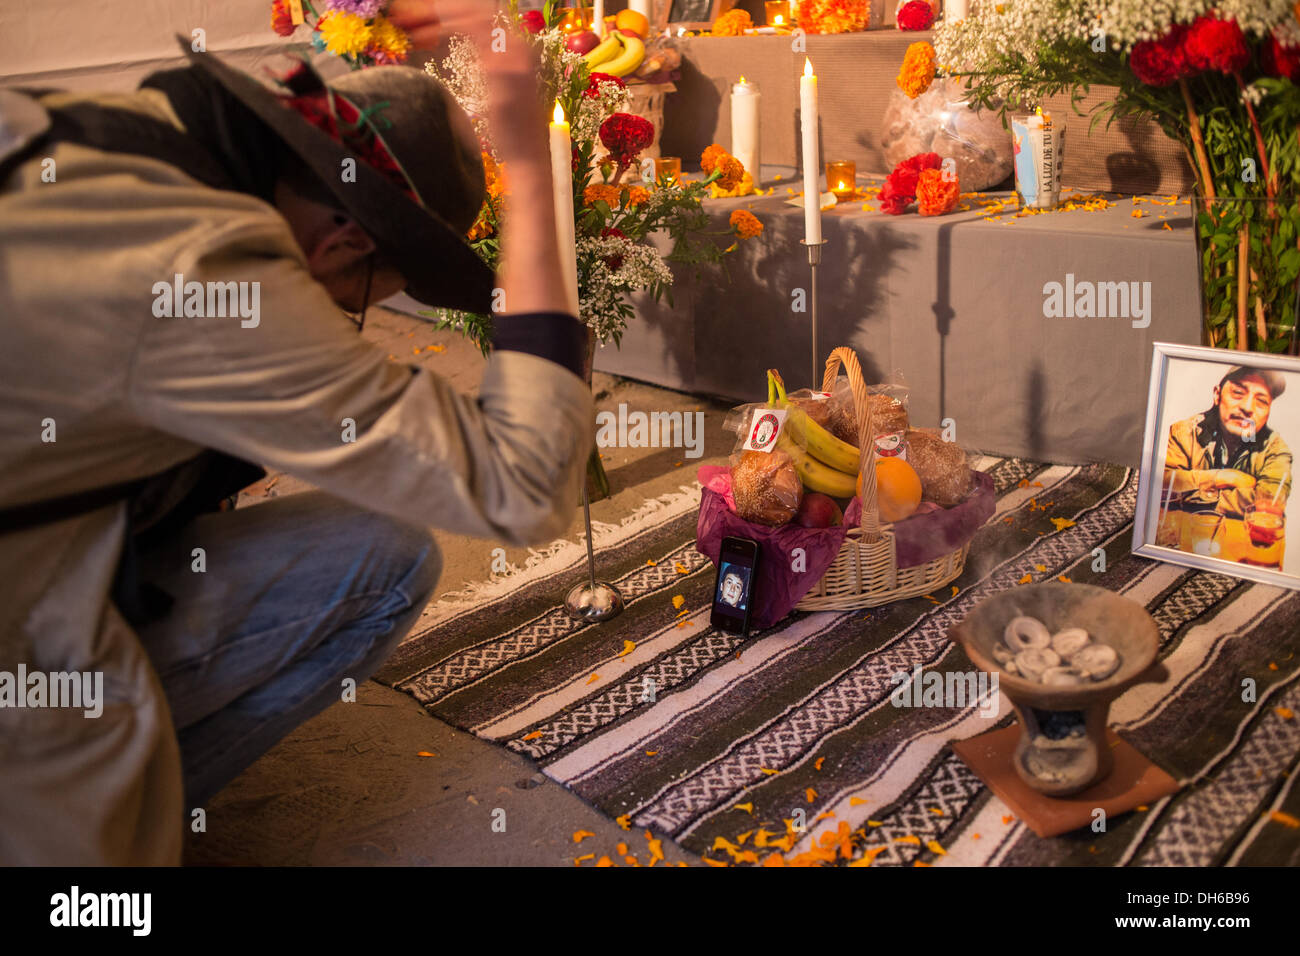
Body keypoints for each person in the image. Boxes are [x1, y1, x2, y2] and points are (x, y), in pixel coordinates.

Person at [0, 1, 592, 864]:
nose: (349, 320)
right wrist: (532, 165)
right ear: (342, 244)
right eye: (361, 304)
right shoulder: (206, 270)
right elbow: (525, 481)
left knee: (380, 549)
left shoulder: (129, 132)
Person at [1164, 366, 1292, 518]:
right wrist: (1223, 477)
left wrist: (1197, 494)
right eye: (1238, 393)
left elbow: (1271, 503)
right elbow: (1163, 485)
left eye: (1261, 401)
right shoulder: (1184, 432)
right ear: (1217, 395)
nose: (1247, 407)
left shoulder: (1275, 450)